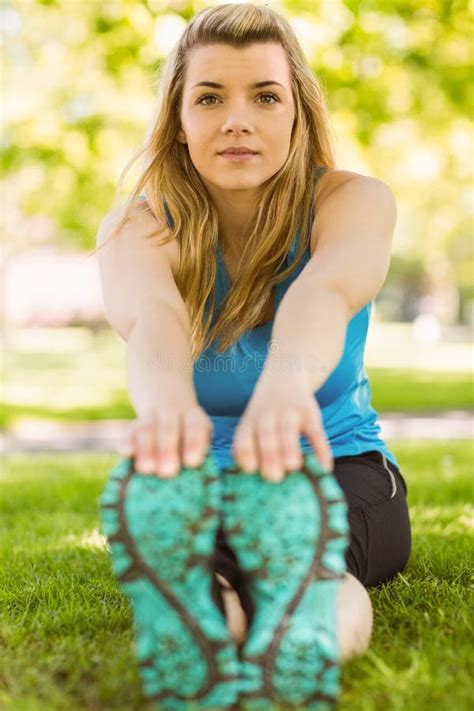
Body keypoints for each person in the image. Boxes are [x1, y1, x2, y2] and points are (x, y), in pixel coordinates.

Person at [95, 4, 412, 709]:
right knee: (204, 570)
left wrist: (286, 385)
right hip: (207, 481)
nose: (237, 119)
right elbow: (153, 319)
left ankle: (297, 647)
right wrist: (169, 406)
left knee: (306, 562)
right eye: (209, 97)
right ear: (178, 119)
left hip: (337, 465)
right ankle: (209, 633)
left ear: (298, 112)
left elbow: (325, 291)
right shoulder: (138, 229)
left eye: (265, 96)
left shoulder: (353, 201)